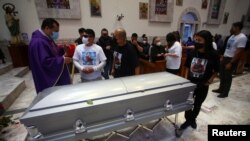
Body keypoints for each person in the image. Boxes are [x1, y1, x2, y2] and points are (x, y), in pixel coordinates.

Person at [177, 30, 220, 135]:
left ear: (207, 41)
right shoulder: (192, 52)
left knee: (197, 104)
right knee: (188, 103)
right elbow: (187, 67)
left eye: (199, 40)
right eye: (196, 39)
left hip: (203, 84)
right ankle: (189, 120)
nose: (196, 42)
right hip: (191, 83)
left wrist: (209, 81)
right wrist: (187, 80)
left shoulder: (213, 54)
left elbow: (217, 70)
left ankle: (193, 119)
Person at [29, 18, 72, 93]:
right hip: (46, 77)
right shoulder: (38, 42)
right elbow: (45, 62)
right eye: (55, 31)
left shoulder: (46, 38)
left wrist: (62, 49)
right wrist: (62, 60)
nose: (56, 34)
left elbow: (53, 52)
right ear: (47, 28)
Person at [212, 22, 248, 98]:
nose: (231, 28)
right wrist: (222, 57)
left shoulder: (242, 37)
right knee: (222, 74)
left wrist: (231, 63)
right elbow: (227, 48)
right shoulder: (232, 36)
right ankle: (220, 89)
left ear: (237, 27)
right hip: (225, 57)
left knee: (227, 76)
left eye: (233, 27)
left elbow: (239, 51)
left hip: (231, 59)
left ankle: (225, 92)